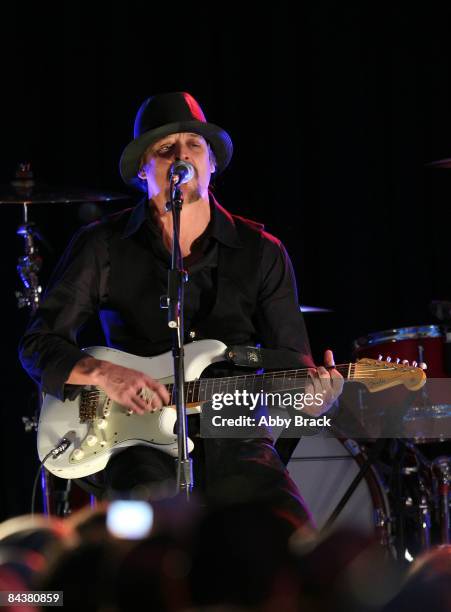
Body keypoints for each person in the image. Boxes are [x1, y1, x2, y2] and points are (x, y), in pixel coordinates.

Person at [19, 92, 343, 528]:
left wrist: (314, 397)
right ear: (142, 168)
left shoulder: (261, 252)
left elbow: (293, 364)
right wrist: (103, 374)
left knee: (285, 532)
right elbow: (38, 344)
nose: (181, 156)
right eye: (165, 149)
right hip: (133, 440)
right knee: (148, 538)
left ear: (211, 163)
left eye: (194, 145)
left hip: (236, 431)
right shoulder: (103, 245)